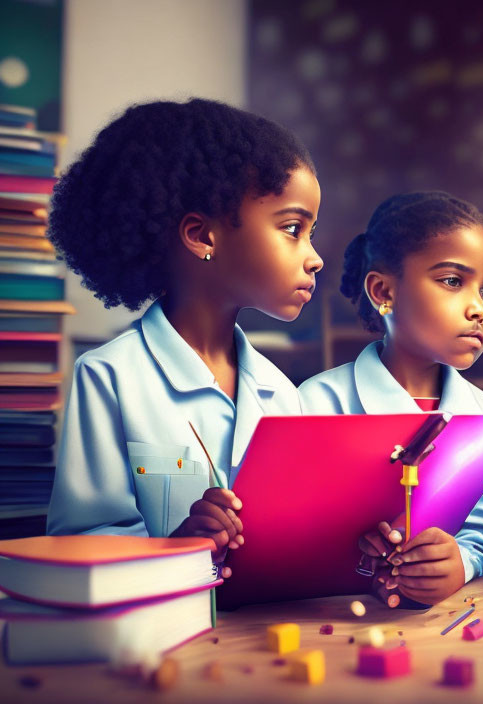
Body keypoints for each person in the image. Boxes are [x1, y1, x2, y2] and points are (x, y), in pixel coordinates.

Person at [47, 99, 323, 575]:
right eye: (293, 229)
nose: (314, 257)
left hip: (261, 637)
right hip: (160, 641)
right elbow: (80, 545)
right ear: (202, 236)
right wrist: (177, 548)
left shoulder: (282, 393)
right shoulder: (109, 376)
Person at [298, 191, 483, 605]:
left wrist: (461, 562)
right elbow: (292, 533)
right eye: (453, 281)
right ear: (382, 291)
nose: (479, 309)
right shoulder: (313, 405)